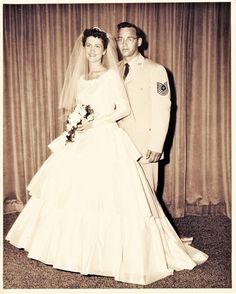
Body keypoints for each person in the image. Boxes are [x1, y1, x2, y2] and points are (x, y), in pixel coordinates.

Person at [6, 27, 208, 286]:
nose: (92, 50)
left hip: (115, 139)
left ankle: (141, 251)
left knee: (131, 201)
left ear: (104, 50)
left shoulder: (119, 74)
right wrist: (77, 123)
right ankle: (80, 250)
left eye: (97, 46)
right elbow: (81, 107)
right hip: (87, 140)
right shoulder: (83, 79)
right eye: (88, 46)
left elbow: (127, 108)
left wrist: (95, 123)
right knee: (80, 194)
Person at [117, 22, 171, 192]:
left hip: (144, 145)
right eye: (120, 39)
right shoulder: (114, 70)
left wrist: (156, 144)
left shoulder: (155, 70)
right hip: (119, 143)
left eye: (129, 39)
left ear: (139, 42)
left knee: (148, 197)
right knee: (123, 195)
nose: (124, 44)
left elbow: (162, 109)